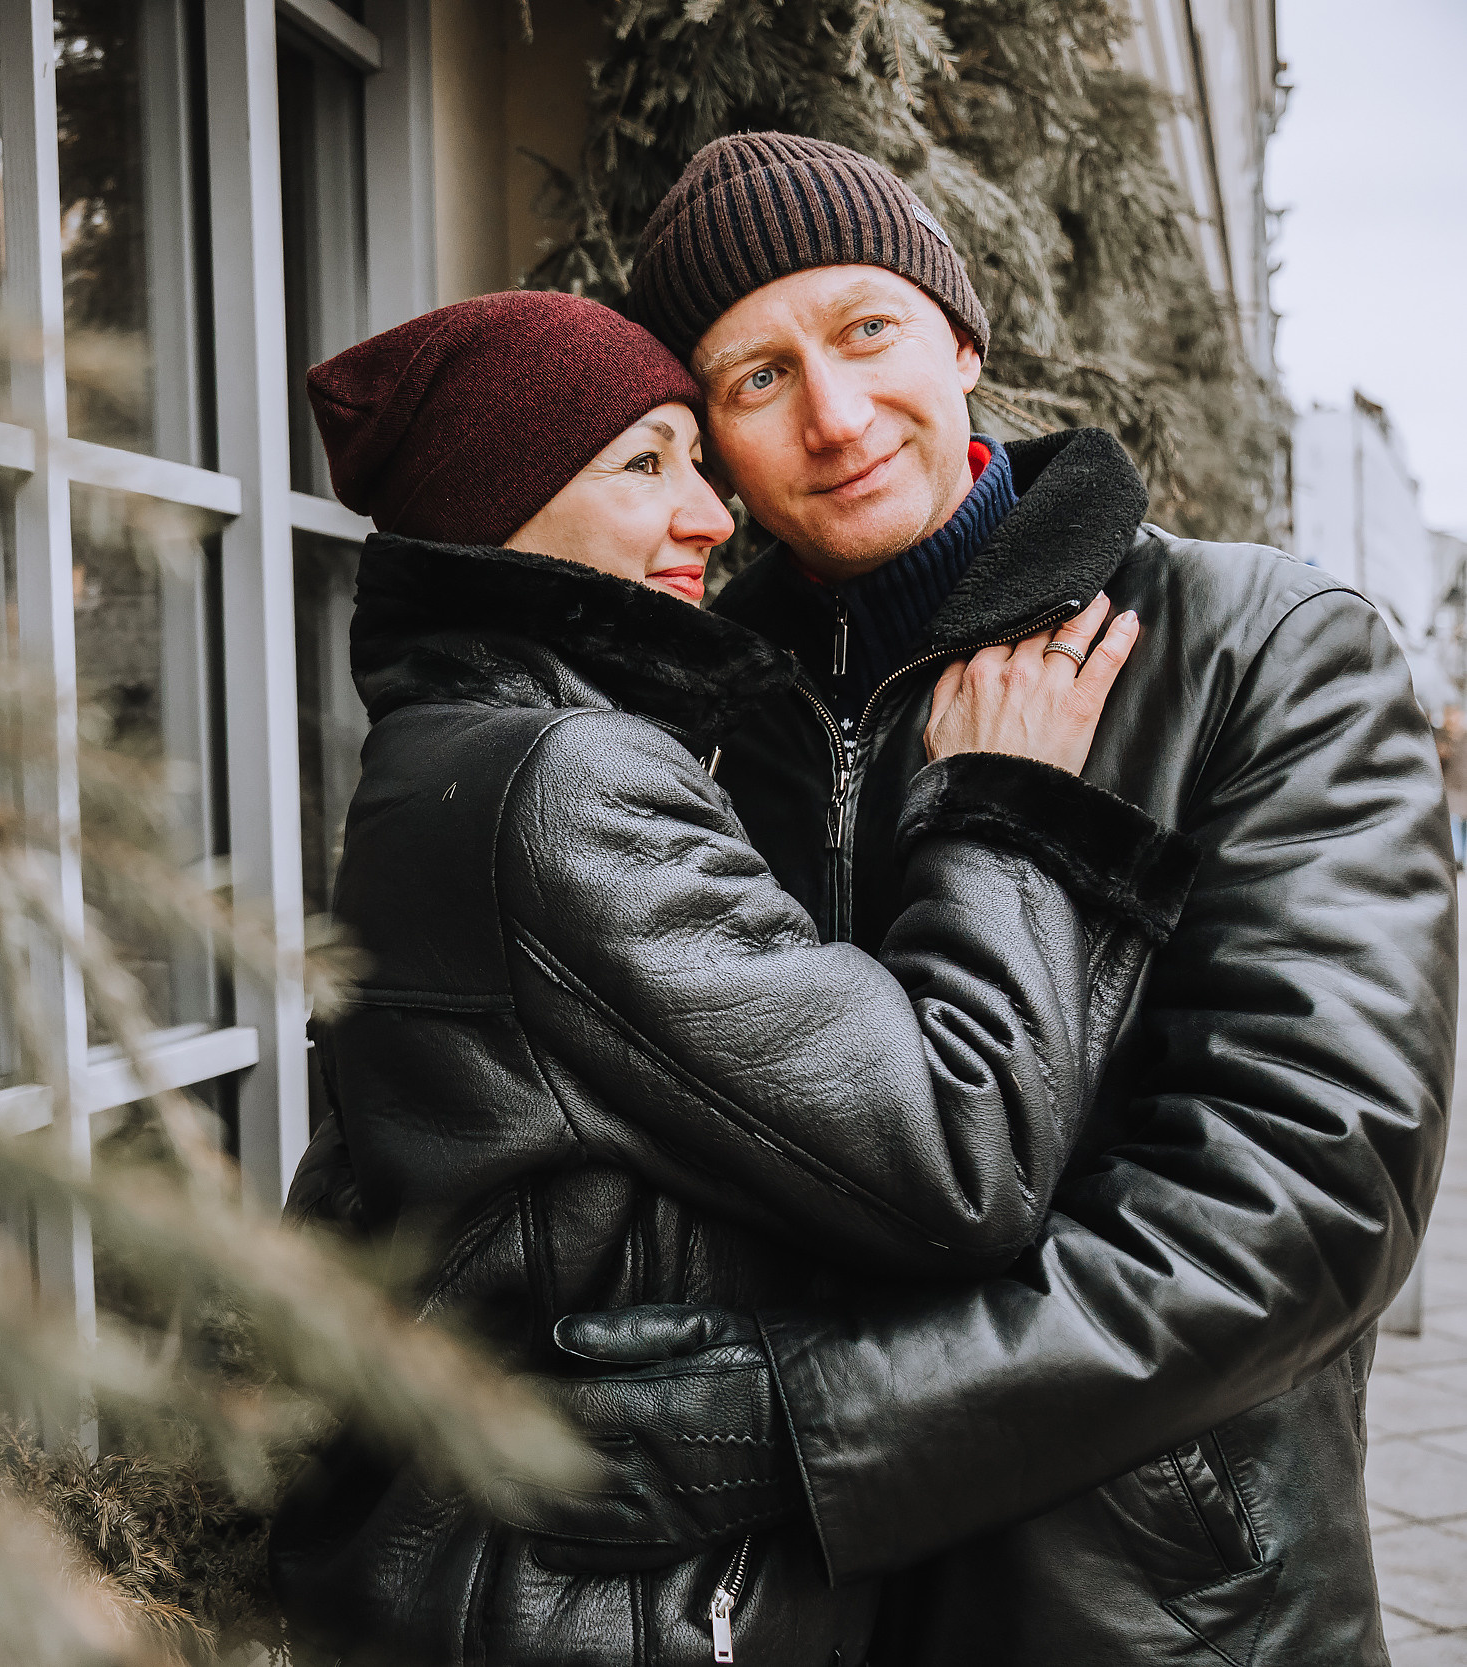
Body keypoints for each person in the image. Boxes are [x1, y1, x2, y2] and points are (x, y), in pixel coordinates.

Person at [459, 133, 1456, 1665]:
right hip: (785, 1618)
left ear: (963, 339)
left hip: (1162, 1613)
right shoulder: (686, 723)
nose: (837, 415)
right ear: (716, 441)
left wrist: (805, 1425)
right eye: (759, 377)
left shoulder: (1257, 649)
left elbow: (1308, 1200)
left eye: (868, 330)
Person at [265, 289, 1199, 1667]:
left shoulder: (445, 749)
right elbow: (960, 1153)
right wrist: (1006, 809)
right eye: (645, 464)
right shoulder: (569, 780)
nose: (710, 515)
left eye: (698, 460)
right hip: (597, 1603)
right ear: (496, 508)